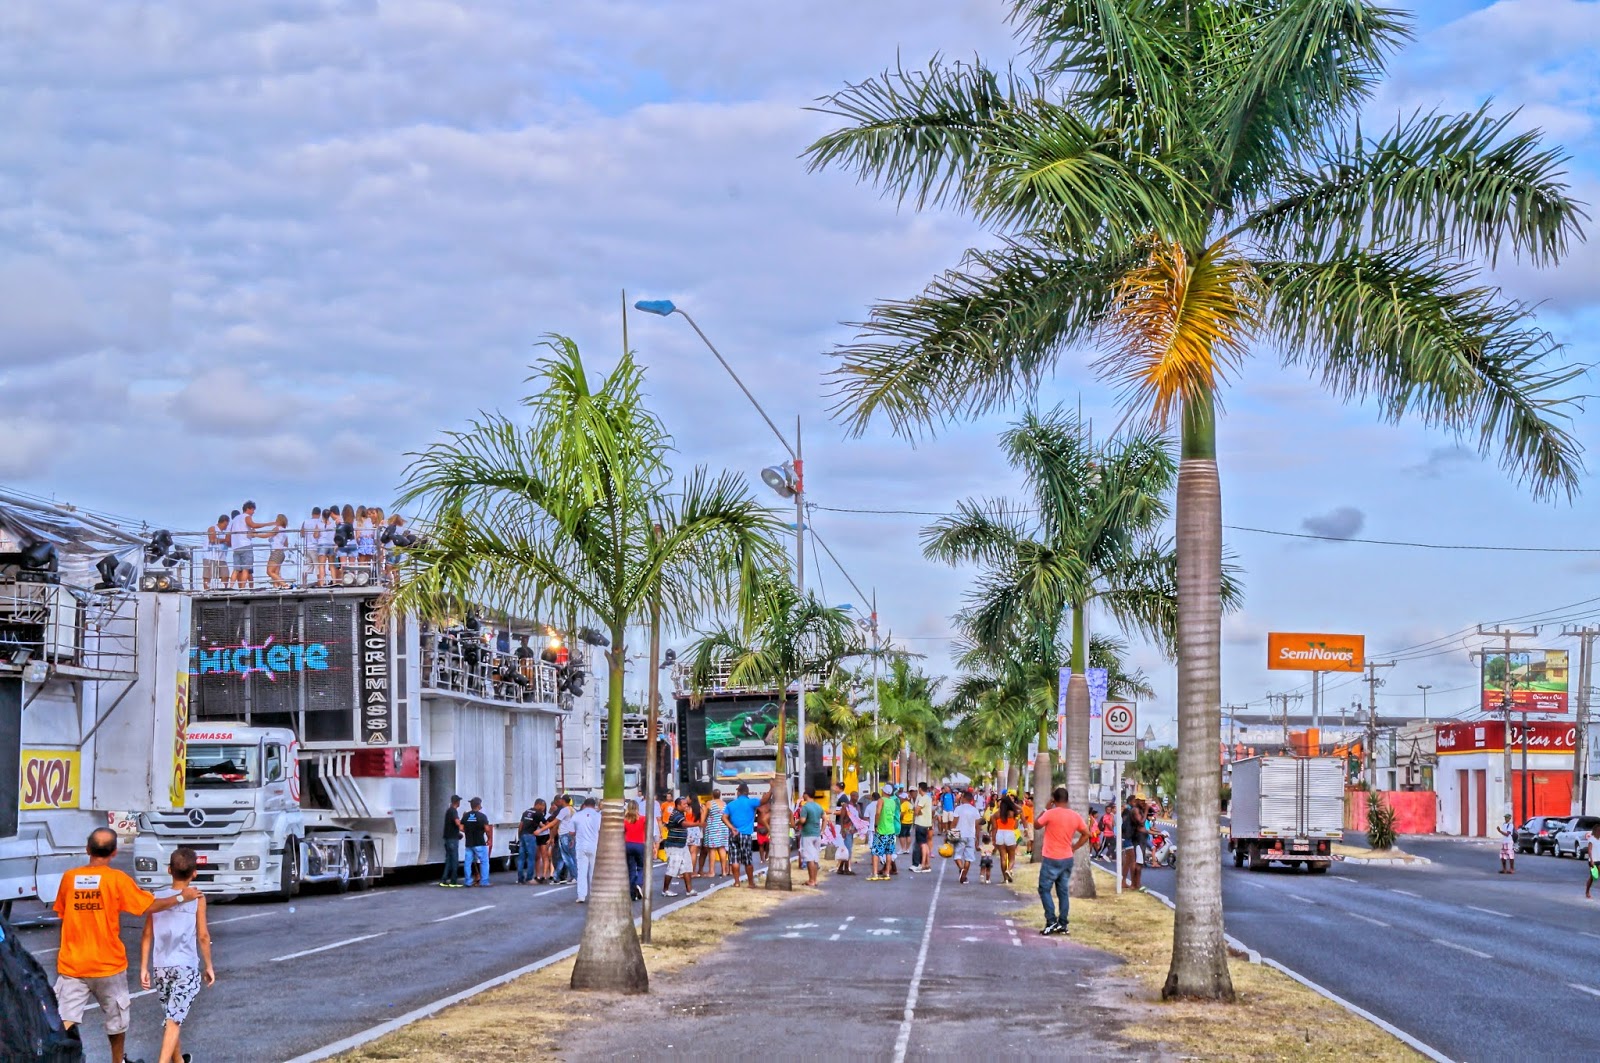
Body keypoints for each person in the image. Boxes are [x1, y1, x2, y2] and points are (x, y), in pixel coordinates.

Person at [53, 828, 200, 1063]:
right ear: (114, 852)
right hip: (108, 965)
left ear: (88, 849)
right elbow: (150, 906)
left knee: (62, 1020)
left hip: (72, 965)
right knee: (116, 1021)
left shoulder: (70, 878)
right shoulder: (118, 880)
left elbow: (62, 911)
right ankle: (117, 1060)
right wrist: (183, 897)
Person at [139, 846, 215, 1063]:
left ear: (169, 870)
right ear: (195, 873)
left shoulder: (157, 897)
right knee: (174, 1019)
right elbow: (203, 935)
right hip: (186, 966)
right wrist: (208, 965)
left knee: (173, 1015)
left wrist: (144, 967)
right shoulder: (197, 898)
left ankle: (179, 1061)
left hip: (161, 967)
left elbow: (146, 934)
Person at [1035, 786, 1093, 935]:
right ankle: (1063, 923)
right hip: (1067, 857)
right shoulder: (1074, 816)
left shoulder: (1050, 813)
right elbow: (1087, 834)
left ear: (1054, 799)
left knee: (1044, 889)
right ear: (1067, 800)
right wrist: (1074, 847)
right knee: (1063, 892)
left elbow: (1036, 825)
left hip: (1051, 858)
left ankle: (1051, 920)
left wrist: (1046, 809)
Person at [723, 784, 760, 887]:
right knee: (747, 859)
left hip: (734, 834)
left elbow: (724, 817)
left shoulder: (731, 804)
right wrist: (771, 790)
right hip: (746, 834)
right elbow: (764, 801)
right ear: (747, 792)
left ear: (738, 792)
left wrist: (731, 827)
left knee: (734, 858)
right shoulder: (752, 802)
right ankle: (751, 883)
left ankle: (736, 882)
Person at [661, 796, 696, 897]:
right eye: (684, 804)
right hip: (674, 845)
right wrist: (698, 824)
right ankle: (665, 890)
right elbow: (684, 824)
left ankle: (689, 890)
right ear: (678, 805)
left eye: (686, 804)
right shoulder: (676, 814)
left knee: (687, 867)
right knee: (672, 868)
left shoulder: (681, 813)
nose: (686, 805)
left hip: (681, 845)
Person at [571, 796, 602, 903]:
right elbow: (601, 830)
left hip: (581, 846)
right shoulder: (598, 816)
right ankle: (594, 895)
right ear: (594, 806)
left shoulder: (577, 815)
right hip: (594, 845)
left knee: (581, 871)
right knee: (594, 871)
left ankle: (581, 896)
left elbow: (571, 831)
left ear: (584, 805)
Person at [870, 788, 902, 881]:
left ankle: (875, 873)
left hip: (882, 830)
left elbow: (878, 813)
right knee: (889, 852)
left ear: (884, 792)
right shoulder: (893, 802)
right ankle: (887, 872)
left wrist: (876, 825)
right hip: (890, 830)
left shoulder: (881, 800)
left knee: (875, 851)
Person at [949, 791, 980, 884]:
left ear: (964, 798)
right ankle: (964, 875)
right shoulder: (974, 810)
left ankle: (961, 869)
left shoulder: (958, 809)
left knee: (957, 855)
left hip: (960, 834)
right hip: (971, 835)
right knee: (969, 857)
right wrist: (977, 837)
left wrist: (950, 835)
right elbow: (978, 825)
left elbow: (954, 823)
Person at [461, 797, 493, 887]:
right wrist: (489, 838)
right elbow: (487, 829)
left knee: (467, 862)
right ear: (479, 805)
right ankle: (484, 882)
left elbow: (461, 828)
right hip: (480, 843)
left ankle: (468, 881)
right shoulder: (482, 816)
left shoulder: (466, 816)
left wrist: (467, 832)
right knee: (484, 862)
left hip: (469, 843)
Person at [797, 790, 824, 887]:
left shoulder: (806, 807)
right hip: (817, 834)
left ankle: (811, 880)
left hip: (808, 834)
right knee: (815, 858)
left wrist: (796, 823)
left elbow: (803, 820)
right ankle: (815, 880)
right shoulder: (818, 806)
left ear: (806, 795)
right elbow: (825, 818)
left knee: (809, 859)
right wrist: (822, 830)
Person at [992, 793, 1020, 884]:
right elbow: (1015, 826)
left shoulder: (996, 814)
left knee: (1003, 858)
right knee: (1012, 857)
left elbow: (994, 828)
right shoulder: (1013, 813)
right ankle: (1009, 870)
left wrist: (993, 840)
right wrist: (1013, 804)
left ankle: (1005, 878)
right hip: (1009, 834)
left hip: (1000, 834)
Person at [516, 800, 546, 884]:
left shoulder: (526, 812)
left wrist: (519, 837)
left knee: (521, 858)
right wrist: (545, 829)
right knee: (531, 857)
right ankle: (529, 878)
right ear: (539, 805)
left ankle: (520, 879)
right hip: (530, 836)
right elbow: (546, 823)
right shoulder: (538, 814)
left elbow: (521, 825)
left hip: (522, 835)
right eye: (543, 806)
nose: (543, 809)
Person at [700, 792, 728, 878]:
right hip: (723, 827)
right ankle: (724, 871)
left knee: (712, 849)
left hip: (713, 827)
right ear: (720, 795)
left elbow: (704, 815)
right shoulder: (724, 804)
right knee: (722, 848)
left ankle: (711, 871)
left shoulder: (710, 803)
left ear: (713, 795)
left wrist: (702, 821)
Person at [624, 803, 648, 900]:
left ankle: (632, 893)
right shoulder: (643, 819)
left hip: (628, 844)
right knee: (641, 867)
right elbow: (647, 832)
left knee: (631, 869)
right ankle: (639, 883)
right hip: (639, 844)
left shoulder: (625, 820)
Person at [439, 794, 464, 887]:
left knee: (449, 860)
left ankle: (444, 880)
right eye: (459, 801)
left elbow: (450, 826)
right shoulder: (453, 811)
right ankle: (453, 882)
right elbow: (457, 823)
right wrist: (463, 826)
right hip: (452, 840)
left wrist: (458, 834)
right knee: (454, 861)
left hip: (448, 839)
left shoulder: (449, 811)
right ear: (457, 802)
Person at [1121, 798, 1146, 891]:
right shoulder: (1131, 811)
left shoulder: (1130, 811)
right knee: (1132, 862)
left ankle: (1124, 881)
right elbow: (1140, 822)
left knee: (1128, 862)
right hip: (1129, 838)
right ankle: (1133, 883)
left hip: (1128, 837)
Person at [912, 783, 935, 873]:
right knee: (924, 843)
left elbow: (917, 810)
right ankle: (926, 863)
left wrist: (916, 812)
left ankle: (923, 864)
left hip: (921, 824)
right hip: (926, 824)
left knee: (922, 845)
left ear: (920, 789)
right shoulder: (928, 798)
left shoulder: (923, 798)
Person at [554, 795, 576, 883]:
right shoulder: (573, 810)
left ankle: (574, 876)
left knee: (567, 857)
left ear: (563, 801)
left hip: (564, 835)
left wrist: (542, 829)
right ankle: (556, 877)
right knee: (563, 857)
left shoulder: (564, 810)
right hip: (570, 834)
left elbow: (555, 822)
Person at [1586, 822, 1600, 899]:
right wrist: (1591, 860)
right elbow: (1589, 850)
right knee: (1593, 877)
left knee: (1596, 876)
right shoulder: (1592, 839)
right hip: (1593, 861)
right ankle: (1587, 891)